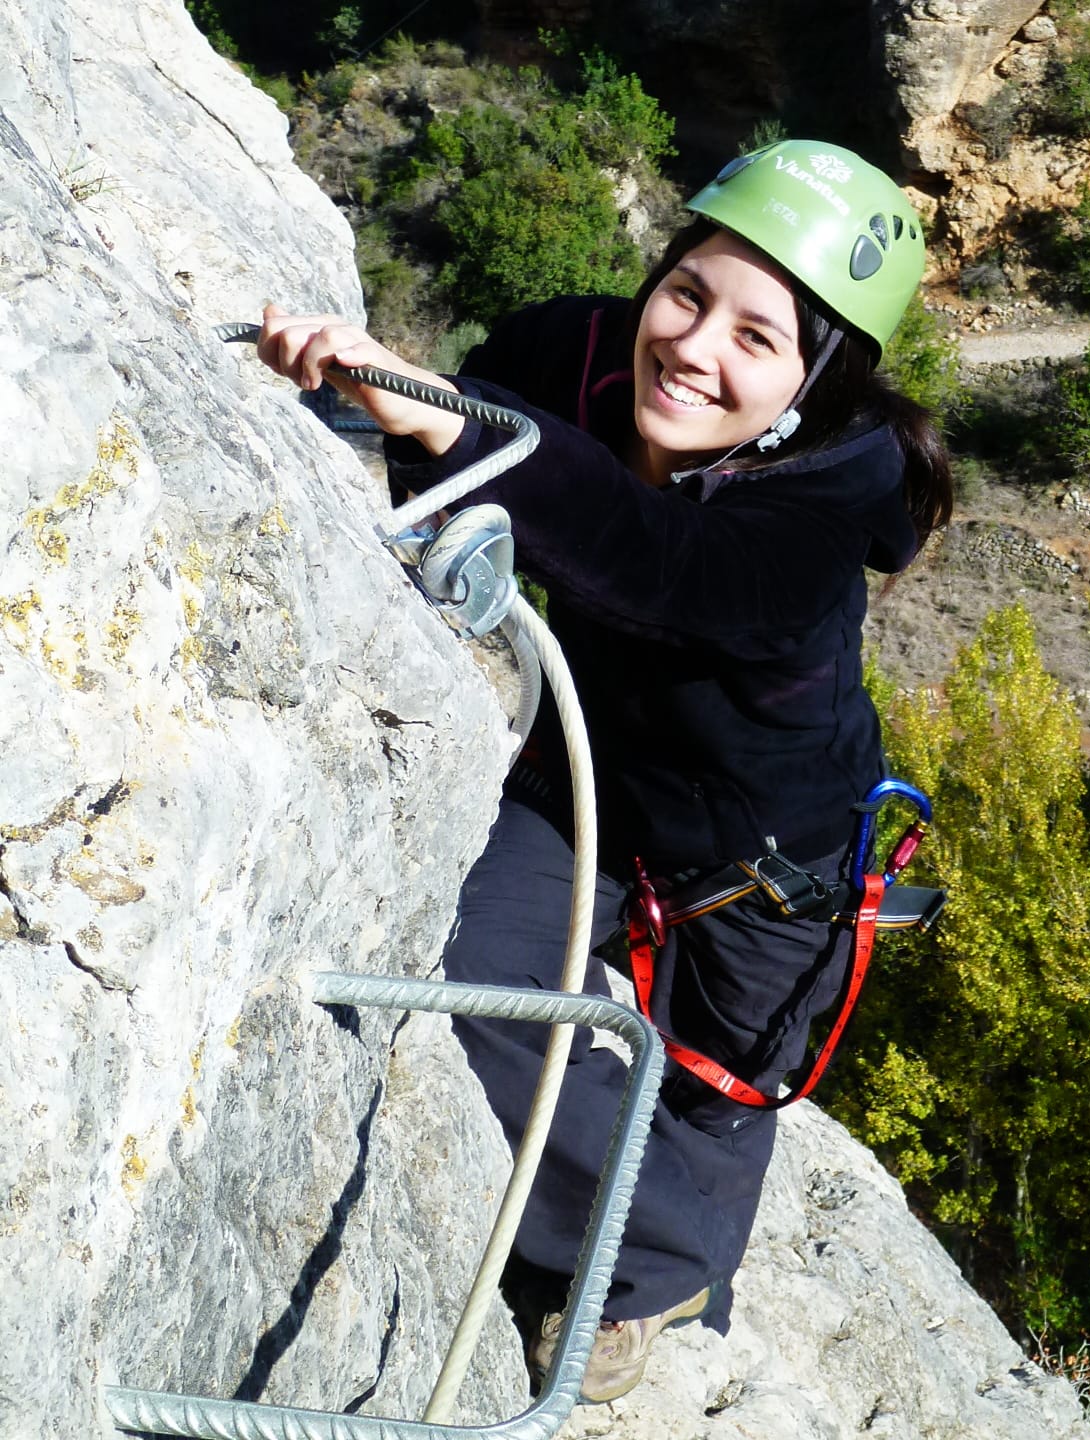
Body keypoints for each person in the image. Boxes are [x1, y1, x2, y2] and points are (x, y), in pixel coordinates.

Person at [253, 139, 951, 1402]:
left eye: (759, 337)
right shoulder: (574, 357)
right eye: (687, 295)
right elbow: (477, 438)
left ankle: (650, 1271)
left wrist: (465, 428)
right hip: (584, 782)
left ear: (816, 376)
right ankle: (636, 1231)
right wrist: (405, 409)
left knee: (711, 1095)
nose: (694, 348)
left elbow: (659, 566)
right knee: (466, 968)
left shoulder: (821, 508)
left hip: (762, 868)